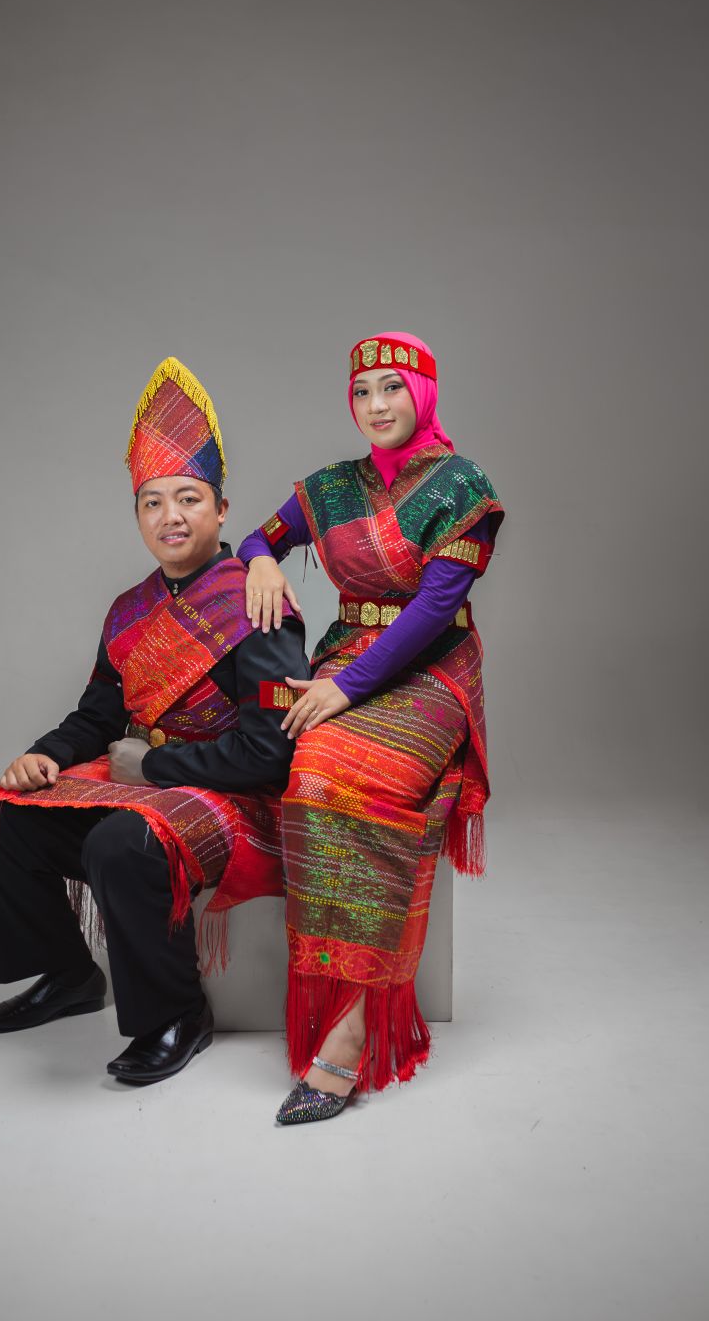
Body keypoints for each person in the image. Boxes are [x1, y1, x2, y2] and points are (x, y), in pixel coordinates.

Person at [0, 357, 308, 1086]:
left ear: (221, 509)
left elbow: (269, 754)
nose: (170, 516)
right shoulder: (128, 610)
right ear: (138, 516)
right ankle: (68, 975)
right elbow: (98, 713)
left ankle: (177, 1014)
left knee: (123, 842)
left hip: (232, 796)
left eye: (189, 498)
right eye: (153, 502)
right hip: (141, 783)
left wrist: (151, 768)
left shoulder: (257, 603)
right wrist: (44, 756)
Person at [238, 332, 504, 1125]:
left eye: (392, 388)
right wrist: (261, 561)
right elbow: (257, 536)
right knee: (311, 777)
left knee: (359, 783)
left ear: (422, 394)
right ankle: (338, 994)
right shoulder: (331, 487)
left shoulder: (461, 485)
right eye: (361, 391)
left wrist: (344, 689)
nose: (376, 405)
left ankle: (351, 1028)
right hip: (345, 657)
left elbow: (433, 607)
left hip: (430, 672)